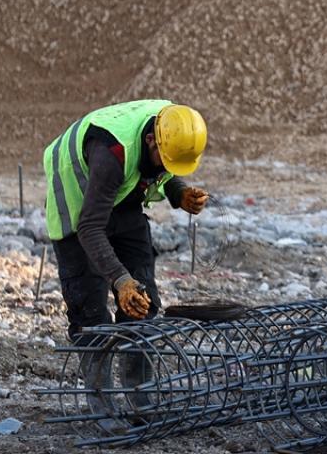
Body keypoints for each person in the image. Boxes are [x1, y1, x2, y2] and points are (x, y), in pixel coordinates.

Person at [42, 99, 210, 339]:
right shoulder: (112, 155)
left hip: (120, 193)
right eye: (165, 161)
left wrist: (178, 191)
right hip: (76, 200)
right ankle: (97, 376)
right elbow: (89, 228)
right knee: (90, 313)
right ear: (150, 140)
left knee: (142, 303)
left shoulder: (173, 126)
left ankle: (139, 378)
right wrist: (121, 281)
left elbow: (162, 168)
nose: (167, 167)